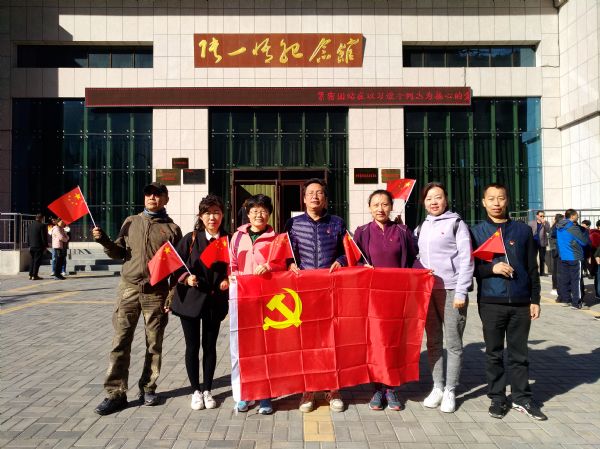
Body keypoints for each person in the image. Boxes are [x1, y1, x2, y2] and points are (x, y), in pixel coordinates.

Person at [92, 182, 182, 415]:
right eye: (149, 194)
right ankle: (115, 393)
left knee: (154, 344)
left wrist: (172, 293)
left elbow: (177, 266)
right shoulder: (131, 222)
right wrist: (104, 240)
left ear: (166, 199)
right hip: (129, 290)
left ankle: (148, 388)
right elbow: (118, 253)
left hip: (156, 292)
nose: (152, 197)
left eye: (158, 194)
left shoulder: (172, 229)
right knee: (120, 341)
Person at [470, 183, 547, 421]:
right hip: (491, 302)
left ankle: (522, 398)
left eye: (501, 198)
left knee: (519, 354)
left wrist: (535, 299)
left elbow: (532, 268)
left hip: (521, 302)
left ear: (507, 200)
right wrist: (491, 268)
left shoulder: (522, 231)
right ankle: (497, 397)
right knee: (493, 353)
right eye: (491, 198)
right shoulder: (476, 232)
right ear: (483, 202)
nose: (496, 203)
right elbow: (471, 269)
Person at [284, 178, 347, 413]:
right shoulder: (293, 224)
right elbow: (287, 253)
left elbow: (347, 252)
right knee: (307, 342)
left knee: (332, 340)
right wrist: (289, 264)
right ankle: (308, 389)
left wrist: (341, 261)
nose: (314, 196)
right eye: (310, 193)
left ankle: (333, 389)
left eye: (319, 193)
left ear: (326, 199)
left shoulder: (337, 223)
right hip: (304, 292)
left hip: (331, 290)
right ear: (304, 198)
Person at [353, 189, 416, 411]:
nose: (380, 209)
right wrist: (362, 267)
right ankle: (377, 388)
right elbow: (354, 261)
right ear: (369, 208)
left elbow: (413, 259)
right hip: (372, 297)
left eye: (385, 204)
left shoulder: (403, 231)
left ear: (391, 207)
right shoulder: (361, 232)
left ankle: (392, 387)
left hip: (397, 296)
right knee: (375, 342)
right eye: (376, 205)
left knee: (394, 341)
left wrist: (425, 272)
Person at [413, 183, 473, 414]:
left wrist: (461, 291)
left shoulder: (457, 224)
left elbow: (467, 259)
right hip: (428, 291)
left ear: (446, 199)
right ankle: (437, 386)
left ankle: (450, 389)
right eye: (429, 198)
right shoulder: (421, 227)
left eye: (438, 197)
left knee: (454, 343)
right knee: (433, 341)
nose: (434, 202)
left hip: (451, 290)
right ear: (424, 202)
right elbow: (415, 254)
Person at [169, 194, 229, 412]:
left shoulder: (229, 240)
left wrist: (228, 279)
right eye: (207, 213)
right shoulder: (191, 238)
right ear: (201, 216)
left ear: (222, 215)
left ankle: (207, 390)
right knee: (192, 346)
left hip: (215, 301)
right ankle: (195, 390)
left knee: (210, 346)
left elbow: (236, 265)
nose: (212, 217)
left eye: (216, 212)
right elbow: (175, 265)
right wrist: (186, 278)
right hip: (190, 301)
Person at [230, 194, 286, 415]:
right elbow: (232, 263)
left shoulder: (277, 238)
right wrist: (233, 276)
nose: (258, 215)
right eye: (254, 211)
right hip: (244, 299)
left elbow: (283, 265)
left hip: (268, 300)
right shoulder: (237, 237)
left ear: (269, 214)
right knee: (245, 349)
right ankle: (245, 394)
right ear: (248, 213)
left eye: (263, 211)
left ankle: (265, 395)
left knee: (266, 349)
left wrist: (270, 267)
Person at [556, 209, 590, 310]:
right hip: (574, 256)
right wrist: (586, 232)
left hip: (564, 256)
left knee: (565, 279)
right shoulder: (572, 227)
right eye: (577, 215)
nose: (578, 217)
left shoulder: (559, 226)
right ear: (572, 216)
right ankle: (577, 303)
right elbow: (584, 242)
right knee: (576, 280)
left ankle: (566, 300)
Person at [528, 211, 550, 276]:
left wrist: (544, 224)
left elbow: (548, 230)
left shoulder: (546, 223)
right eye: (541, 216)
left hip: (542, 242)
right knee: (533, 257)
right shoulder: (531, 223)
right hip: (534, 242)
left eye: (543, 216)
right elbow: (528, 231)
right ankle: (533, 271)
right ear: (537, 216)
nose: (542, 217)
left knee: (542, 258)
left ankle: (542, 272)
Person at [28, 213, 48, 280]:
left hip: (32, 246)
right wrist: (45, 246)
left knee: (32, 260)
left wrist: (29, 245)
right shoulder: (42, 225)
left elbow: (28, 236)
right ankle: (35, 275)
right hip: (39, 246)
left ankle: (30, 275)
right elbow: (43, 237)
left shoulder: (30, 225)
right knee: (37, 261)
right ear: (41, 218)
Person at [549, 213, 564, 298]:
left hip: (555, 250)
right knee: (557, 270)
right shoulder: (557, 227)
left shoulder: (554, 226)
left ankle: (555, 287)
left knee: (556, 270)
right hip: (557, 250)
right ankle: (555, 287)